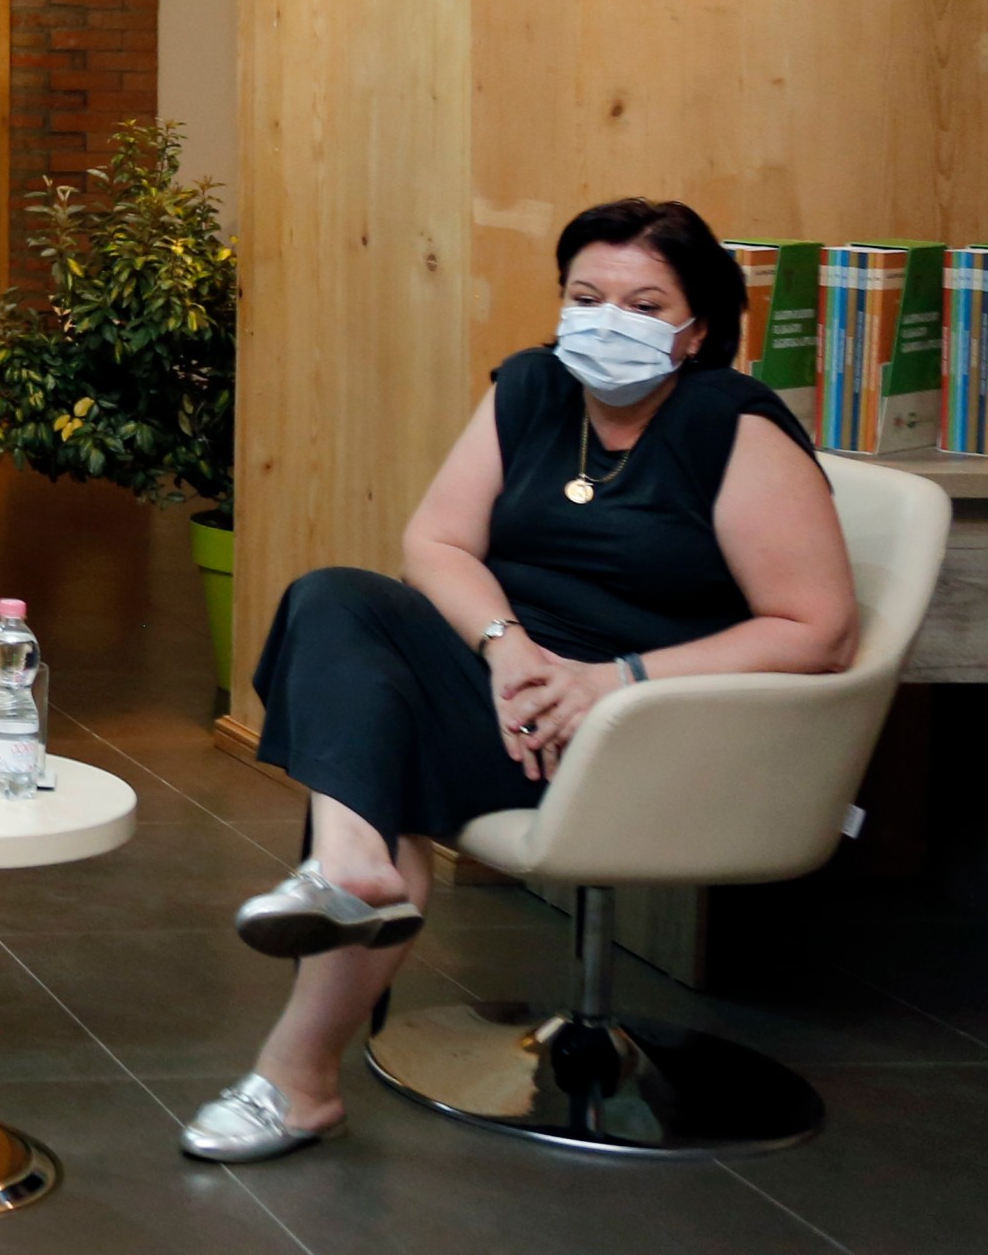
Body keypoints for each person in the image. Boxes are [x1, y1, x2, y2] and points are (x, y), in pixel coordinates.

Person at [180, 196, 858, 1162]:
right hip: (513, 691)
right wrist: (507, 649)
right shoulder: (534, 387)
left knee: (381, 768)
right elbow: (437, 540)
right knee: (334, 598)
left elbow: (818, 630)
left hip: (647, 723)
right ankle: (348, 866)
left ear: (698, 329)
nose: (608, 323)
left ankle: (300, 1069)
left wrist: (613, 679)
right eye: (586, 297)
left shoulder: (730, 427)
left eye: (644, 306)